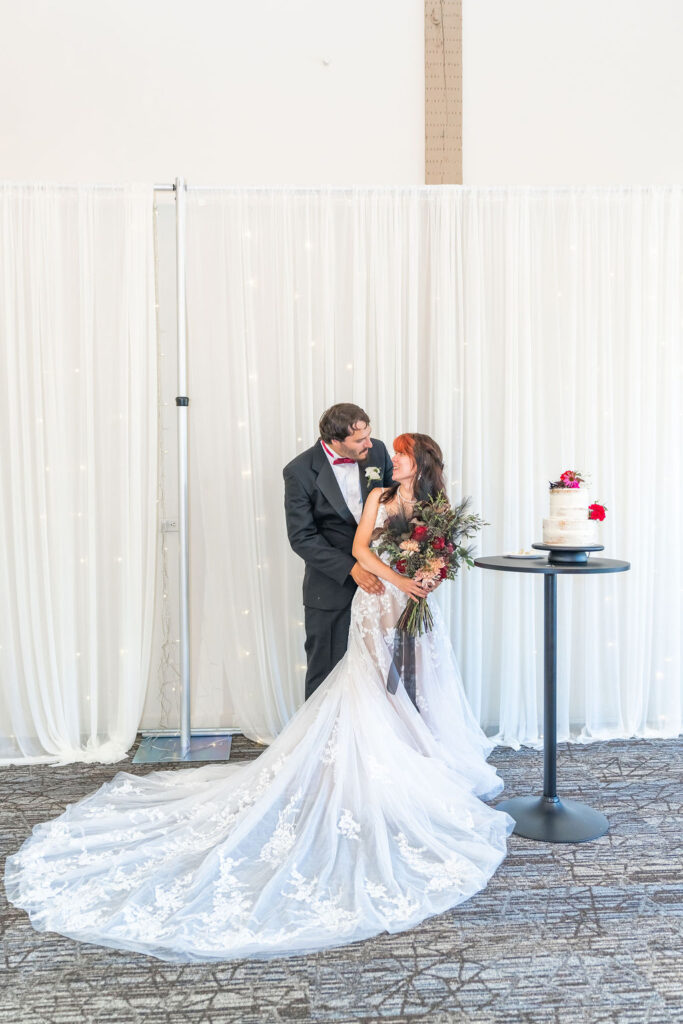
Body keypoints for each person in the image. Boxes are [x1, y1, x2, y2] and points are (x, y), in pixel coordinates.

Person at [4, 432, 514, 963]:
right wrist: (393, 579)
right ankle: (365, 767)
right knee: (367, 685)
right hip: (374, 599)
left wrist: (427, 579)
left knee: (418, 685)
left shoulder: (437, 505)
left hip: (410, 607)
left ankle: (417, 756)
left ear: (421, 463)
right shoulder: (378, 497)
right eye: (396, 452)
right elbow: (361, 548)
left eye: (404, 453)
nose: (394, 457)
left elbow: (444, 555)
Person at [283, 403, 394, 699]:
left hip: (382, 584)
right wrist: (352, 568)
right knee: (327, 673)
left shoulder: (379, 452)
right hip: (331, 587)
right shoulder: (299, 471)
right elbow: (302, 537)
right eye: (360, 440)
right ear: (335, 441)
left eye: (369, 435)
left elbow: (397, 502)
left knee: (382, 670)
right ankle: (322, 744)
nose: (369, 444)